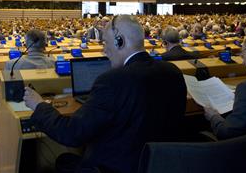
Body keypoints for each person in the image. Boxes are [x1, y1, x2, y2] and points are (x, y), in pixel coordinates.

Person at [23, 15, 187, 173]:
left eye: (106, 43)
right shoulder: (173, 72)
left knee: (64, 160)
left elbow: (72, 133)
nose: (104, 50)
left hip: (116, 166)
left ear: (119, 41)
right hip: (160, 164)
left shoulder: (112, 80)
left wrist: (39, 105)